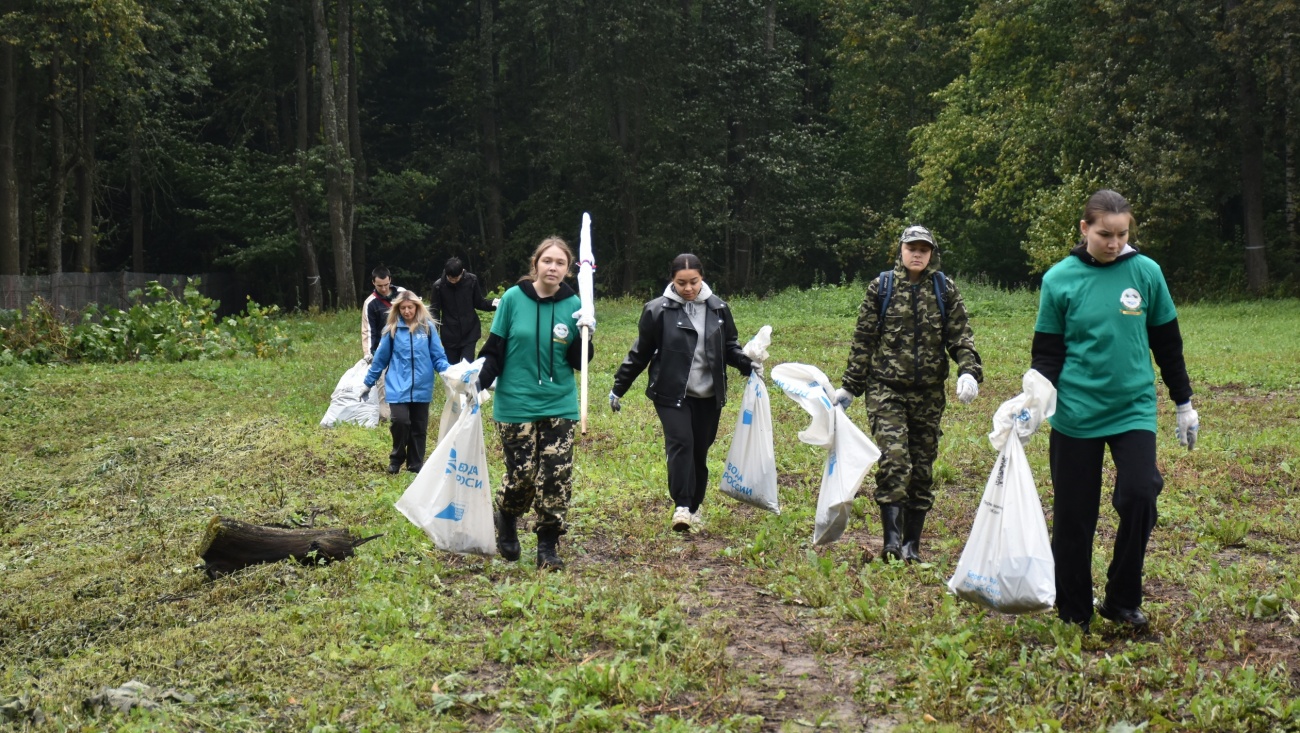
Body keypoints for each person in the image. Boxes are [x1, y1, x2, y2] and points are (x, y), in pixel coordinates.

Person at [1028, 189, 1198, 632]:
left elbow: (1167, 342)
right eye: (1105, 234)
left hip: (1133, 409)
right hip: (1076, 412)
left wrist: (1184, 402)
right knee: (1073, 515)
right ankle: (1074, 610)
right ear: (1084, 229)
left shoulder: (1145, 272)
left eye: (1122, 235)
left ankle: (1121, 599)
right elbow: (1047, 353)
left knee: (1141, 493)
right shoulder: (1059, 279)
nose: (1114, 243)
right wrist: (1034, 398)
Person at [834, 225, 983, 564]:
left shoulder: (944, 289)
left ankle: (912, 544)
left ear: (932, 253)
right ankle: (891, 541)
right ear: (900, 250)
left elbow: (960, 336)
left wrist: (968, 371)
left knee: (922, 467)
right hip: (886, 389)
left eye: (923, 249)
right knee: (894, 460)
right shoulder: (881, 287)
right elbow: (863, 340)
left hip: (928, 394)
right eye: (911, 247)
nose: (917, 254)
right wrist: (850, 386)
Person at [610, 254, 759, 533]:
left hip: (709, 394)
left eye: (694, 282)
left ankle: (695, 506)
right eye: (681, 283)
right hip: (670, 393)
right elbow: (640, 352)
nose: (688, 288)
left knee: (700, 451)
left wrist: (747, 363)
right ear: (672, 281)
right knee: (682, 443)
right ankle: (682, 505)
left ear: (702, 278)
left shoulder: (718, 309)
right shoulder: (657, 311)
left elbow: (730, 347)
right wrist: (619, 387)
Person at [476, 237, 595, 570]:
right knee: (522, 476)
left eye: (560, 263)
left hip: (559, 404)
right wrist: (476, 385)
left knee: (557, 476)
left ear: (568, 269)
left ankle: (547, 546)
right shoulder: (514, 299)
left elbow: (580, 360)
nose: (553, 267)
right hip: (515, 403)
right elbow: (494, 349)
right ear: (536, 264)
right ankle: (507, 516)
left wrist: (586, 331)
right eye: (547, 261)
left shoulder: (574, 303)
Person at [361, 291, 453, 474]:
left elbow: (438, 356)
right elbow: (380, 359)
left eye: (410, 307)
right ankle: (397, 458)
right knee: (400, 422)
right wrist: (368, 382)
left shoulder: (427, 328)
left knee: (419, 428)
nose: (407, 311)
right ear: (398, 309)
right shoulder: (392, 330)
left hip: (422, 386)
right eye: (403, 308)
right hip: (397, 386)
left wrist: (449, 373)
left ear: (417, 307)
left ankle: (415, 465)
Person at [429, 257, 499, 364]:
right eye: (450, 278)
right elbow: (435, 312)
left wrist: (495, 304)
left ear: (462, 272)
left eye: (456, 278)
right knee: (453, 371)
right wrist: (432, 332)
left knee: (467, 367)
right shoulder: (438, 286)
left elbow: (479, 302)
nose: (453, 281)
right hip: (450, 336)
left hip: (470, 332)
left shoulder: (472, 280)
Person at [362, 266, 405, 421]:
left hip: (404, 346)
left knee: (402, 379)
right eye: (380, 285)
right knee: (382, 383)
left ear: (390, 280)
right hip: (382, 348)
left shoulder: (402, 293)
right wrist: (369, 354)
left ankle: (402, 410)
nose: (384, 288)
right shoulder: (371, 303)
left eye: (386, 284)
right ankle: (385, 416)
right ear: (373, 283)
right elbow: (368, 331)